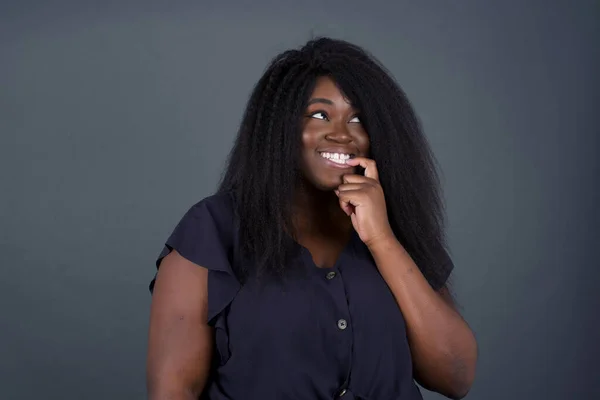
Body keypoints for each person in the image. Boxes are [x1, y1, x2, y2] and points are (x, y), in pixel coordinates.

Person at [146, 37, 478, 400]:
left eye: (358, 119)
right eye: (320, 114)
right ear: (281, 126)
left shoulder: (394, 227)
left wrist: (382, 240)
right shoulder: (212, 230)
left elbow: (455, 375)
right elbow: (173, 389)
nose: (342, 133)